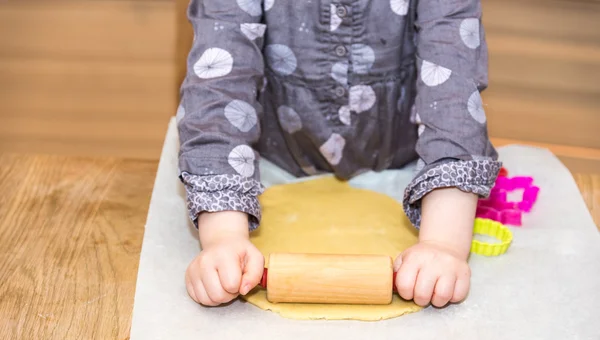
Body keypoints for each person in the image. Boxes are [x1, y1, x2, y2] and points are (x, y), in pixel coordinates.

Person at [178, 0, 500, 309]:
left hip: (404, 166)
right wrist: (223, 236)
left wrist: (442, 243)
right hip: (277, 162)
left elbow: (453, 96)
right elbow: (218, 89)